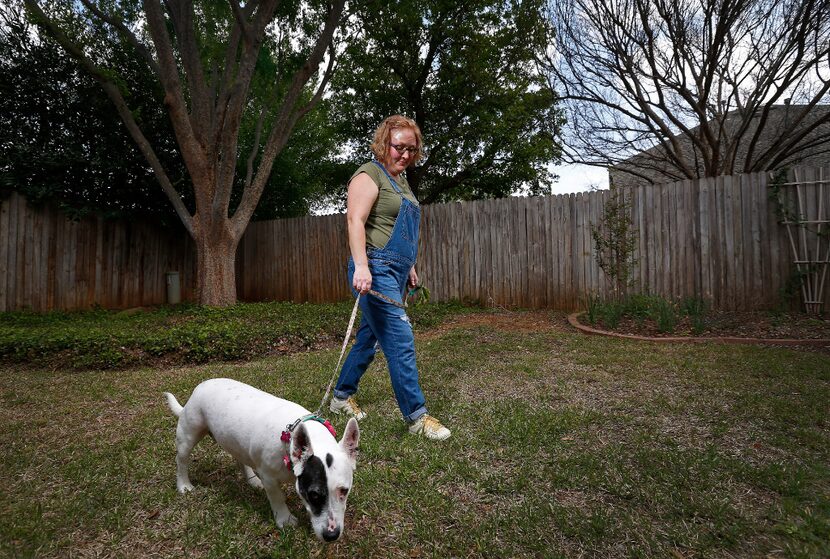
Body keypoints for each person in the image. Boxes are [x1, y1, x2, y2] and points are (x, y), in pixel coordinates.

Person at [329, 115, 451, 441]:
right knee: (400, 340)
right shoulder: (369, 174)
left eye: (412, 149)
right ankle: (417, 417)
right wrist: (362, 266)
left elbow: (400, 231)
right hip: (374, 268)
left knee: (368, 340)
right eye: (399, 147)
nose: (406, 155)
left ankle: (341, 397)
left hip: (396, 271)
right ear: (385, 143)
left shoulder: (403, 184)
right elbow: (355, 220)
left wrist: (409, 266)